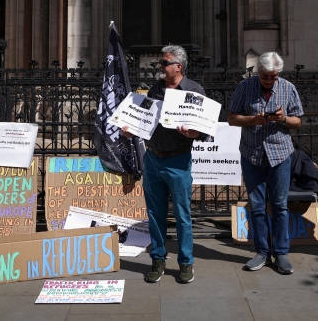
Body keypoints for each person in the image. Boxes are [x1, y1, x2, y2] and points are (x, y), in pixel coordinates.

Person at [121, 45, 206, 285]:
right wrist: (131, 131)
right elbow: (144, 120)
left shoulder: (194, 91)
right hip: (153, 158)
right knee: (155, 214)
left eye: (164, 62)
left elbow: (205, 130)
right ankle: (158, 259)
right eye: (160, 62)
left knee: (182, 215)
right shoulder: (154, 89)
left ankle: (186, 263)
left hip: (178, 160)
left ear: (178, 66)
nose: (159, 66)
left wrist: (193, 133)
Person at [227, 52, 304, 275]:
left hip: (280, 154)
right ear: (258, 72)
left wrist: (283, 119)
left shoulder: (288, 87)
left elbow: (298, 121)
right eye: (265, 76)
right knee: (257, 206)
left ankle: (281, 253)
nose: (269, 81)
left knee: (279, 205)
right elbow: (232, 118)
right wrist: (253, 119)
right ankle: (262, 251)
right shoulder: (245, 87)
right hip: (252, 154)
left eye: (273, 77)